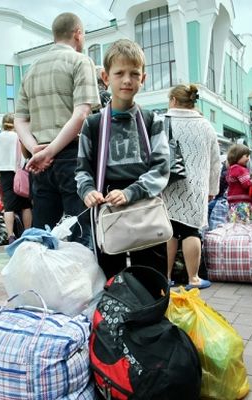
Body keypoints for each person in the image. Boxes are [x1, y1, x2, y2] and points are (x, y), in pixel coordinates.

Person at [75, 38, 170, 279]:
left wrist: (130, 193)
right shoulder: (93, 124)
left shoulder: (152, 121)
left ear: (143, 78)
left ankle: (153, 302)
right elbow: (82, 169)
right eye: (119, 73)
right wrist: (88, 191)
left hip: (145, 204)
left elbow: (161, 168)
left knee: (152, 276)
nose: (127, 80)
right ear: (106, 77)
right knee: (111, 276)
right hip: (108, 206)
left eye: (134, 74)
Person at [15, 12, 100, 246]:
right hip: (72, 156)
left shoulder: (31, 69)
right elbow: (82, 113)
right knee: (80, 233)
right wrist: (50, 151)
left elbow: (19, 120)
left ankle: (41, 271)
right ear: (78, 34)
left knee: (44, 234)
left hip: (40, 163)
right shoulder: (80, 61)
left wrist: (36, 150)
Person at [162, 84, 221, 290]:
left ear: (173, 100)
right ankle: (193, 278)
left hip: (168, 185)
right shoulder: (206, 126)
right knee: (191, 231)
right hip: (196, 186)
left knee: (168, 231)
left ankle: (166, 277)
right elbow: (215, 162)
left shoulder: (162, 121)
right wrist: (212, 189)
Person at [0, 113, 32, 243]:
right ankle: (27, 232)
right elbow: (24, 155)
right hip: (19, 172)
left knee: (9, 206)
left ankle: (10, 236)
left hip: (4, 172)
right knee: (25, 205)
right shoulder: (18, 136)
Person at [226, 143, 252, 223]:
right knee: (244, 225)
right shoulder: (240, 169)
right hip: (242, 203)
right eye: (246, 156)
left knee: (235, 225)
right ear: (238, 155)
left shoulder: (231, 169)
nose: (248, 158)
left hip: (233, 203)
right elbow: (247, 184)